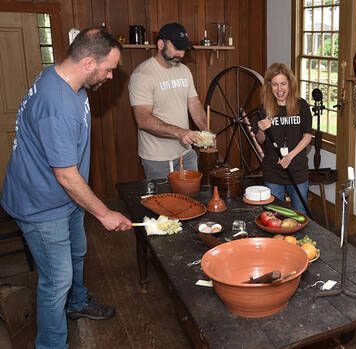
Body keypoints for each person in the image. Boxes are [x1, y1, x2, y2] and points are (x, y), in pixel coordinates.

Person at [0, 28, 132, 349]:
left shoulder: (66, 80)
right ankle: (51, 345)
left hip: (66, 199)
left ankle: (77, 303)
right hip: (42, 206)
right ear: (89, 62)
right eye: (109, 68)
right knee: (56, 281)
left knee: (77, 254)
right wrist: (105, 214)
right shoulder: (57, 104)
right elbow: (67, 176)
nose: (111, 76)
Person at [129, 22, 209, 180]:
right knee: (165, 204)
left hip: (187, 153)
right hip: (158, 159)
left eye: (183, 49)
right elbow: (143, 119)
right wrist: (180, 132)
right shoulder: (142, 75)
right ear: (160, 44)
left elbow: (194, 103)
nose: (181, 54)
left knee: (192, 200)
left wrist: (206, 130)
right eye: (177, 48)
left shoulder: (184, 71)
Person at [255, 63, 313, 214]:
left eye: (283, 84)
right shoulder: (263, 109)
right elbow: (260, 140)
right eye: (275, 84)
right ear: (269, 86)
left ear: (290, 84)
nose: (279, 89)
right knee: (275, 215)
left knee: (300, 214)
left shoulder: (302, 106)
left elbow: (307, 137)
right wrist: (261, 129)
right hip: (273, 171)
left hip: (297, 169)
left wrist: (290, 156)